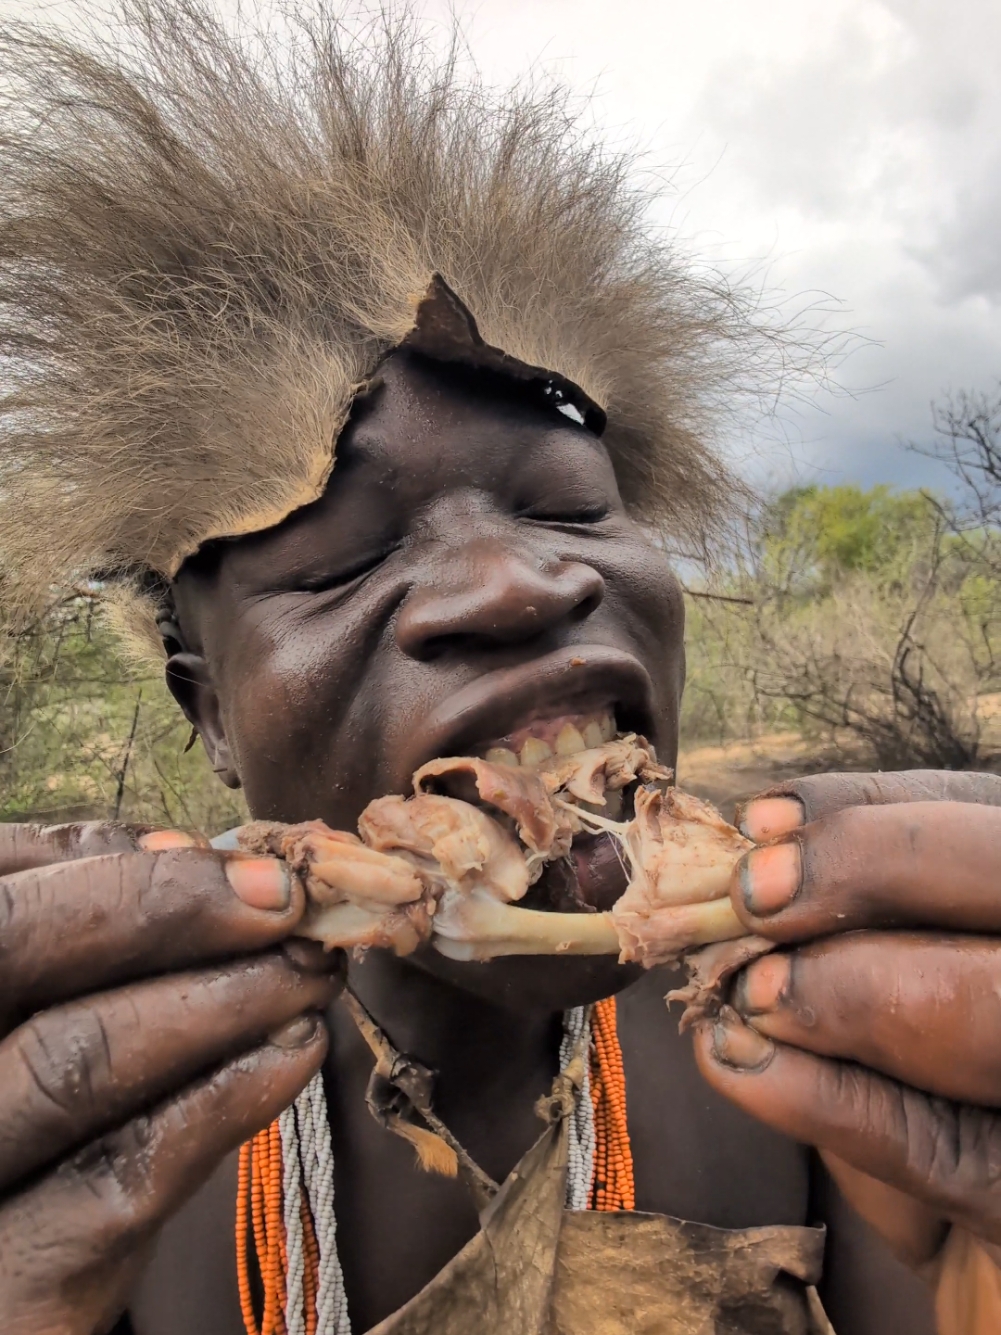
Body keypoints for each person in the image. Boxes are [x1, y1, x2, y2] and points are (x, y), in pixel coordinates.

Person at [0, 5, 999, 1333]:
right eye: (339, 565)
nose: (516, 583)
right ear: (208, 710)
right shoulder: (100, 1152)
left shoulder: (839, 1062)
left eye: (571, 509)